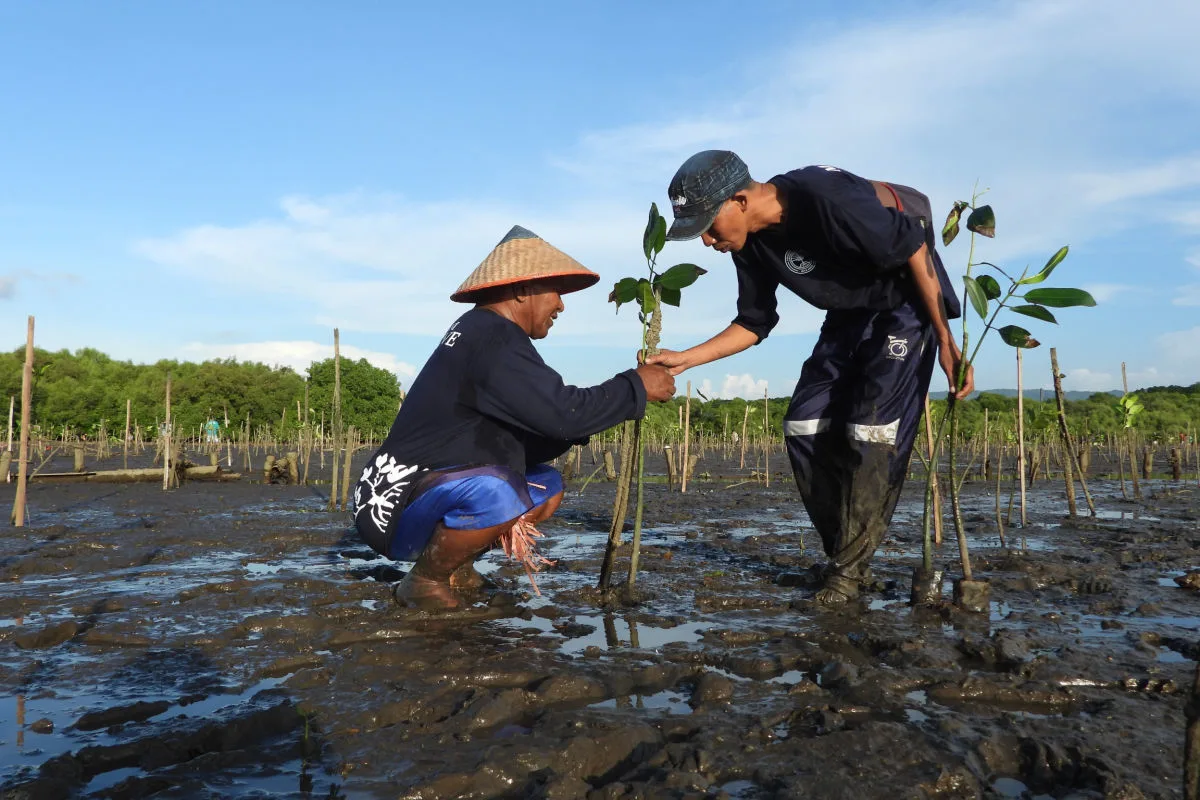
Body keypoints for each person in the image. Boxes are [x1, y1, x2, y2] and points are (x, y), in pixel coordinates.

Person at [648, 150, 974, 606]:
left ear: (739, 200)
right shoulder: (750, 244)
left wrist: (944, 337)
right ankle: (843, 558)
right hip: (847, 312)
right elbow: (754, 322)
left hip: (904, 302)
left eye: (707, 226)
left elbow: (915, 247)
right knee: (803, 422)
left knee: (870, 430)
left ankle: (847, 575)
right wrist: (686, 359)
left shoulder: (825, 198)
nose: (707, 241)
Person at [352, 225, 675, 608]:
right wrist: (634, 387)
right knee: (500, 491)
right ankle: (423, 581)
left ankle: (457, 567)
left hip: (407, 496)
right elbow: (564, 414)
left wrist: (597, 412)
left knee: (545, 486)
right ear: (523, 289)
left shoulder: (482, 332)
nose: (561, 305)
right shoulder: (493, 338)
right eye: (556, 291)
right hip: (392, 506)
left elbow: (542, 428)